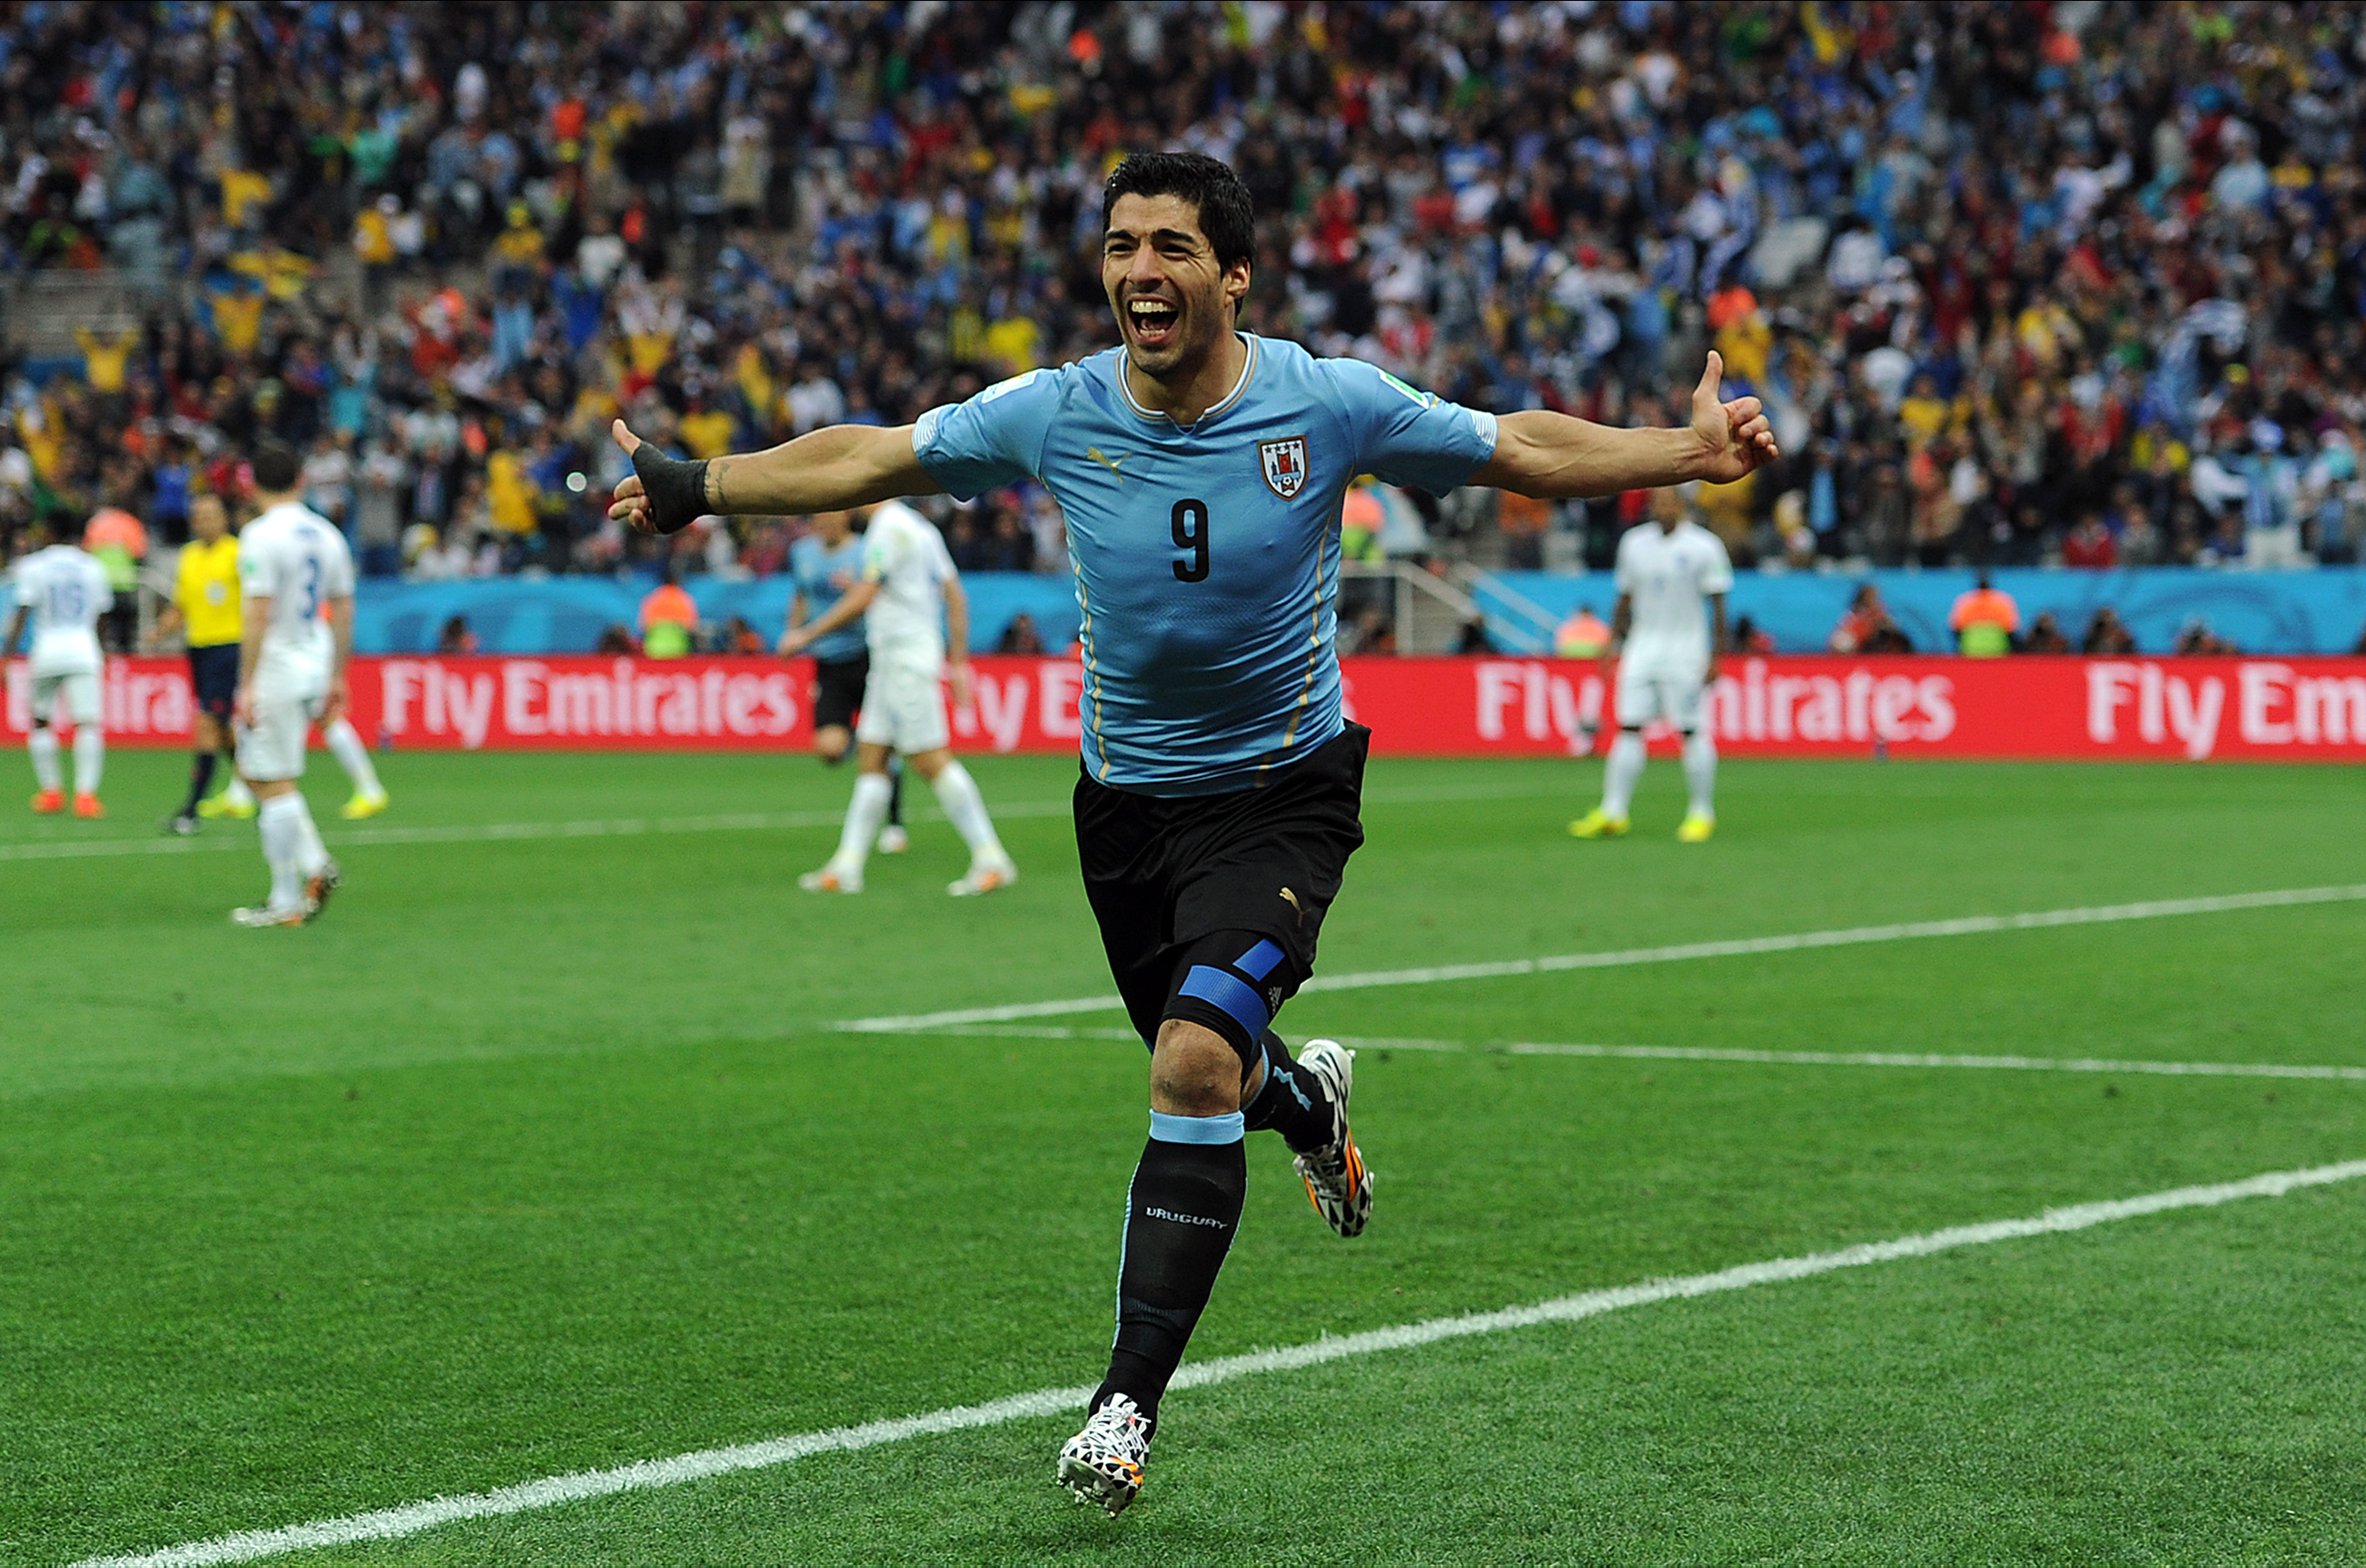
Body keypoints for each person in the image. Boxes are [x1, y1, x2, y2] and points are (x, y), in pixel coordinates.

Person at [606, 150, 1775, 1515]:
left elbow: (1512, 444)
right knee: (1219, 1073)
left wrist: (1687, 452)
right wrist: (699, 482)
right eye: (1118, 246)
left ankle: (1124, 1404)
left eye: (1169, 247)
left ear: (1233, 274)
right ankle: (1311, 1103)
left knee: (1188, 1058)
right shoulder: (1054, 410)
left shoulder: (1322, 402)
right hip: (1126, 814)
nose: (1138, 272)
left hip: (1282, 791)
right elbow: (874, 453)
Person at [777, 500, 1013, 895]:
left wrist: (806, 635)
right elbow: (955, 594)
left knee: (928, 759)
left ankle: (991, 858)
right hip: (891, 658)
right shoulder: (920, 528)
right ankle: (847, 866)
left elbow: (866, 594)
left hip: (905, 657)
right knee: (872, 756)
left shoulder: (886, 530)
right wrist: (956, 663)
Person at [228, 439, 354, 927]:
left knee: (269, 776)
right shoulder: (328, 535)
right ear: (300, 481)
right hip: (315, 657)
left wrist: (246, 683)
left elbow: (258, 614)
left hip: (277, 664)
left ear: (252, 485)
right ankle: (315, 865)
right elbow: (343, 608)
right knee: (261, 773)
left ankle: (286, 900)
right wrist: (338, 675)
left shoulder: (259, 536)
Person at [1571, 485, 1733, 843]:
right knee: (1628, 727)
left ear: (1681, 505)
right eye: (1656, 502)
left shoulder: (1704, 546)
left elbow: (1719, 604)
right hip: (1641, 650)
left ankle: (1701, 813)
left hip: (1686, 653)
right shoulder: (1634, 544)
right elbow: (1624, 597)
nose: (1662, 507)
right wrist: (1613, 643)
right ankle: (1614, 811)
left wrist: (1717, 655)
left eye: (1668, 501)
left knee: (1691, 731)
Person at [784, 508, 908, 856]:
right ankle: (871, 745)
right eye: (817, 516)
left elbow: (878, 595)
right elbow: (801, 596)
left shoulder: (867, 550)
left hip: (868, 656)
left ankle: (895, 824)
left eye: (829, 514)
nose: (822, 521)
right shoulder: (803, 554)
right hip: (829, 662)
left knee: (883, 746)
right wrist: (793, 633)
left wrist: (855, 590)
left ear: (845, 517)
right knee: (829, 749)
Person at [147, 492, 246, 832]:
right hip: (198, 649)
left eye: (209, 515)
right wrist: (160, 631)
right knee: (222, 730)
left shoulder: (237, 554)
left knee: (206, 724)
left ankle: (191, 811)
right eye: (198, 516)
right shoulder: (189, 556)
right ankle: (262, 792)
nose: (202, 521)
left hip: (229, 646)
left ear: (224, 519)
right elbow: (181, 606)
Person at [4, 517, 112, 817]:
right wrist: (101, 648)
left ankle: (51, 792)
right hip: (83, 649)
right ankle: (86, 796)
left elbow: (22, 612)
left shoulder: (33, 566)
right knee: (87, 723)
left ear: (49, 532)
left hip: (47, 650)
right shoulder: (93, 566)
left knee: (40, 721)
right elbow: (103, 615)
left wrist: (7, 656)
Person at [1948, 571, 2020, 656]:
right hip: (1998, 649)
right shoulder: (2002, 601)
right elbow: (2011, 629)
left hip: (1970, 649)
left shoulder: (1965, 601)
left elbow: (1955, 628)